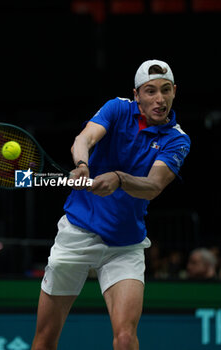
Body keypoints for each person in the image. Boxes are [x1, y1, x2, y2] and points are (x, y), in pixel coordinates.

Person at [31, 59, 191, 350]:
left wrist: (119, 178)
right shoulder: (117, 108)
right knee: (45, 340)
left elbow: (153, 186)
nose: (159, 99)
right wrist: (82, 164)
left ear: (174, 91)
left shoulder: (177, 140)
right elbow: (85, 138)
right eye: (151, 91)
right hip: (77, 234)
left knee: (126, 337)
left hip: (124, 245)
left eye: (166, 90)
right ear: (136, 95)